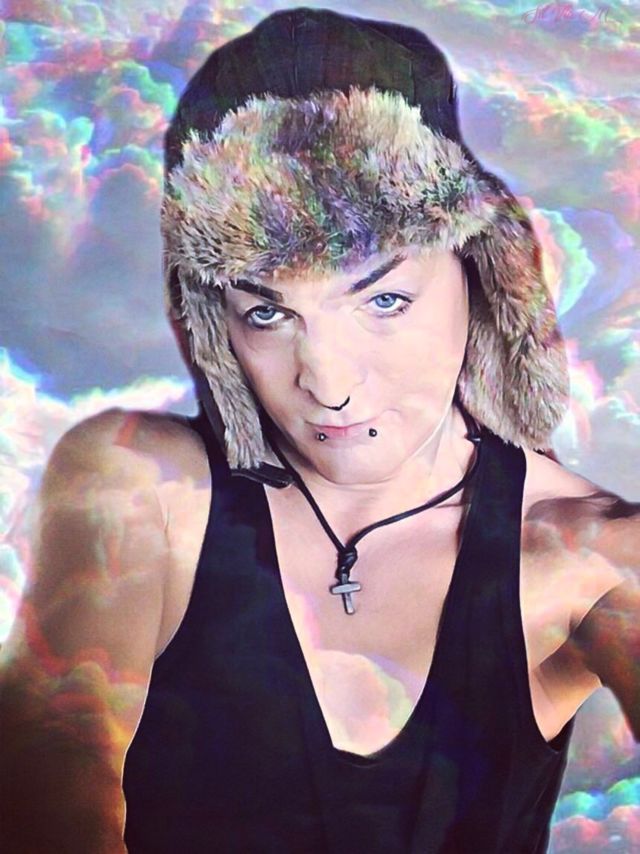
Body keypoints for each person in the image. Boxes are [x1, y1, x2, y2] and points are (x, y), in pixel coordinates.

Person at [1, 7, 638, 853]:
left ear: (483, 274)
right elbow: (49, 777)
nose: (328, 386)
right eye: (267, 312)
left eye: (384, 299)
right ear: (214, 323)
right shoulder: (139, 488)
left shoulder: (592, 559)